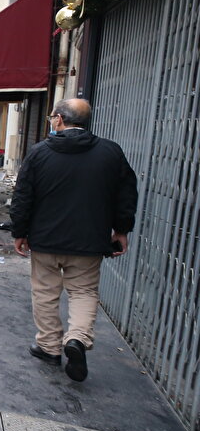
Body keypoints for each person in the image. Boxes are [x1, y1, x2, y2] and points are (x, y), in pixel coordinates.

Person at [10, 98, 138, 382]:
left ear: (58, 119)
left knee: (45, 292)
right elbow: (126, 194)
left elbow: (23, 196)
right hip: (89, 241)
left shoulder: (39, 153)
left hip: (45, 239)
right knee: (83, 292)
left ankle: (49, 347)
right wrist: (121, 230)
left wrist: (19, 232)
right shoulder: (110, 152)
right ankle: (77, 339)